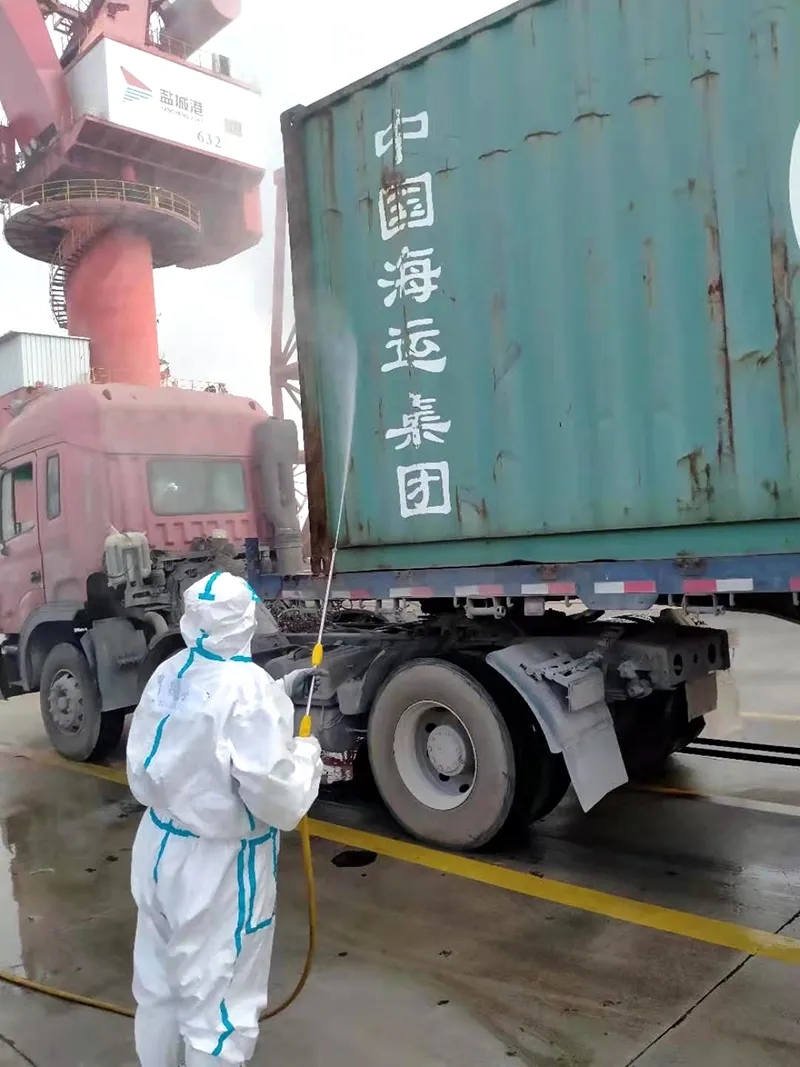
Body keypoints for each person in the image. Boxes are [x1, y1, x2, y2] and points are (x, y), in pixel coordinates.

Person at [127, 571, 323, 1067]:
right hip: (216, 869)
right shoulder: (247, 689)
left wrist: (279, 690)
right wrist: (307, 755)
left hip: (158, 849)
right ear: (244, 620)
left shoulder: (170, 672)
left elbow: (205, 718)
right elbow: (278, 799)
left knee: (159, 991)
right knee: (218, 1014)